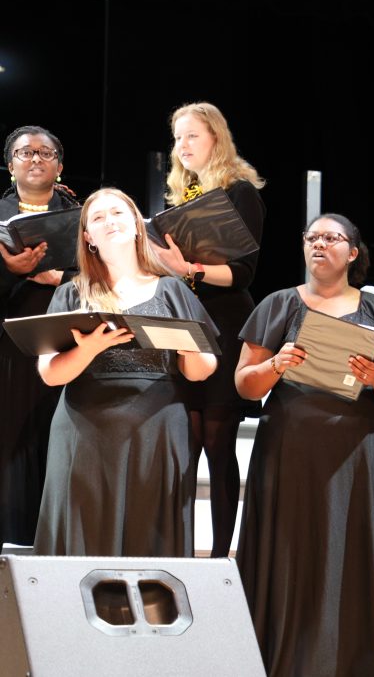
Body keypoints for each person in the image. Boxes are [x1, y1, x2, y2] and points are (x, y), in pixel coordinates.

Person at [234, 214, 374, 677]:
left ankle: (348, 661)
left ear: (353, 252)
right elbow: (245, 385)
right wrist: (276, 366)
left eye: (332, 238)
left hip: (354, 447)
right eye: (312, 236)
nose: (319, 244)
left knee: (348, 551)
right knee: (288, 551)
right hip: (290, 445)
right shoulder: (279, 303)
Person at [33, 188, 217, 557]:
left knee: (148, 539)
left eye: (118, 213)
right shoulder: (72, 294)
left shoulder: (172, 291)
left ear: (136, 224)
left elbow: (201, 371)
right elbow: (51, 375)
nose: (109, 222)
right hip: (84, 433)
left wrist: (188, 349)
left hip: (157, 431)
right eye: (97, 218)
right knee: (83, 537)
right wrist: (89, 349)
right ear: (88, 237)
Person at [151, 101, 266, 557]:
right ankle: (177, 553)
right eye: (177, 138)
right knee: (187, 440)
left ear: (216, 138)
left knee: (218, 442)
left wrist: (191, 268)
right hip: (183, 319)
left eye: (192, 136)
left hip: (225, 320)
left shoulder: (240, 192)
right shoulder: (180, 198)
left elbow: (244, 272)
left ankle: (221, 557)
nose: (182, 146)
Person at [0, 126, 79, 548]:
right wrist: (11, 271)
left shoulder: (82, 214)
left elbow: (105, 273)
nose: (35, 159)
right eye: (24, 152)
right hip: (9, 349)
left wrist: (60, 277)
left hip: (69, 344)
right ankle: (11, 545)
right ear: (11, 166)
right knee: (12, 444)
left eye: (45, 152)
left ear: (59, 165)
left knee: (59, 441)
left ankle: (57, 542)